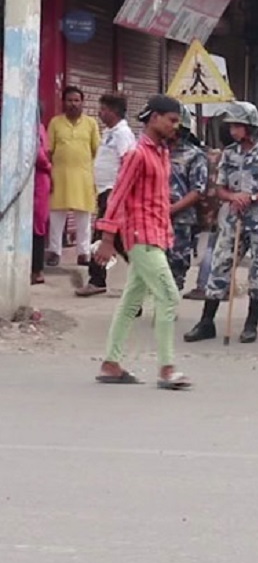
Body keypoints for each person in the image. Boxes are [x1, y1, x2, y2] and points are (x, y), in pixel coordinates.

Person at [92, 95, 191, 390]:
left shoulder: (161, 153)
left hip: (155, 236)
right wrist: (107, 237)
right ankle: (166, 368)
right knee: (169, 296)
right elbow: (117, 196)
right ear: (155, 118)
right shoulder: (137, 154)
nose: (175, 127)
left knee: (131, 300)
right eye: (172, 120)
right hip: (140, 237)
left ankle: (111, 363)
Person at [184, 102, 258, 345]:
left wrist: (251, 198)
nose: (232, 130)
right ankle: (207, 322)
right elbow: (219, 188)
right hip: (232, 219)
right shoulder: (228, 153)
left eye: (237, 126)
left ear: (250, 127)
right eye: (231, 126)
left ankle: (251, 324)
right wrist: (233, 197)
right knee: (219, 266)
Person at [75, 93, 137, 296]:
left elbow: (127, 162)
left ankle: (98, 278)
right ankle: (142, 271)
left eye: (102, 109)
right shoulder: (109, 132)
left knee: (104, 235)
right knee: (114, 239)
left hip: (113, 192)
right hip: (105, 191)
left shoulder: (122, 134)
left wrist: (120, 192)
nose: (100, 113)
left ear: (113, 111)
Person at [47, 85, 101, 267]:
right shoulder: (55, 123)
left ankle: (83, 253)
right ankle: (54, 252)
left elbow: (97, 151)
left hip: (83, 177)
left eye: (77, 101)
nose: (73, 104)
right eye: (70, 100)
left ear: (82, 103)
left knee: (83, 217)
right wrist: (49, 174)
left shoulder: (91, 124)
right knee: (56, 216)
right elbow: (48, 151)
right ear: (64, 102)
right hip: (59, 176)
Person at [167, 107, 209, 291]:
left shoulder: (194, 155)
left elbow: (198, 190)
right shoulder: (155, 151)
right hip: (152, 218)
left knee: (177, 265)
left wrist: (172, 209)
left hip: (181, 219)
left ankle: (167, 306)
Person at [32, 122, 51, 285]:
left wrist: (48, 166)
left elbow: (39, 154)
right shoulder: (40, 127)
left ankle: (36, 270)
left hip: (37, 180)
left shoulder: (35, 127)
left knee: (37, 226)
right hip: (38, 180)